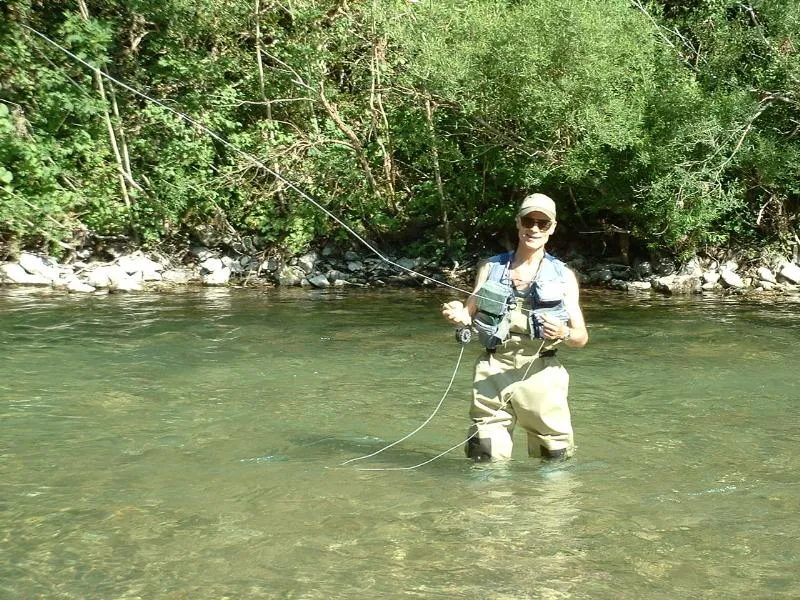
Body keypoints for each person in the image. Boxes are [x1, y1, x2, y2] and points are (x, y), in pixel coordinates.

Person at [441, 193, 588, 461]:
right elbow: (467, 313)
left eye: (542, 224)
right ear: (518, 223)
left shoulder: (564, 276)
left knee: (554, 455)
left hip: (541, 372)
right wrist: (456, 314)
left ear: (552, 228)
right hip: (492, 370)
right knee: (483, 451)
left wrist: (564, 333)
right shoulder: (489, 267)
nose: (534, 228)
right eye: (528, 221)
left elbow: (581, 337)